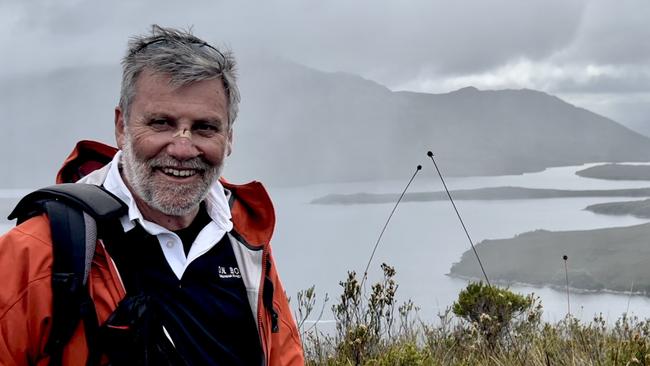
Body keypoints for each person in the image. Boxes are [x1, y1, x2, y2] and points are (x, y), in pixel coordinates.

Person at [0, 25, 304, 365]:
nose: (183, 148)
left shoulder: (244, 242)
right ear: (122, 126)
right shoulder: (42, 251)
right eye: (161, 123)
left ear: (229, 138)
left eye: (205, 127)